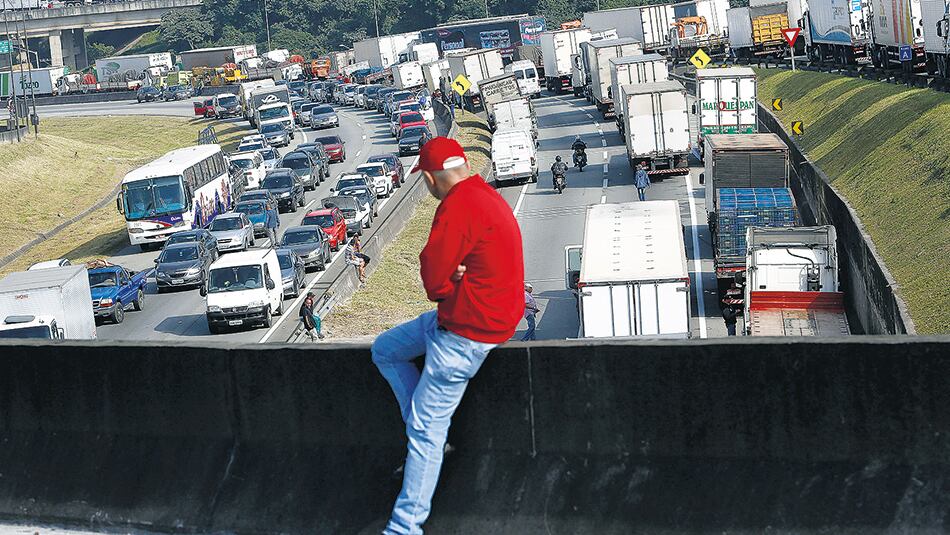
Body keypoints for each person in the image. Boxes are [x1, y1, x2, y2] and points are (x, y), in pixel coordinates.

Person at [371, 137, 524, 535]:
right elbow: (451, 274)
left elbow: (433, 278)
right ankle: (423, 435)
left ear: (429, 177)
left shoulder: (456, 206)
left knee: (427, 430)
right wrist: (454, 277)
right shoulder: (483, 195)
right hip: (476, 314)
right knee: (386, 350)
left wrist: (449, 278)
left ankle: (404, 528)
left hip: (465, 330)